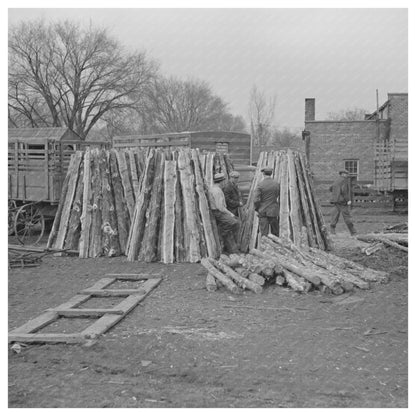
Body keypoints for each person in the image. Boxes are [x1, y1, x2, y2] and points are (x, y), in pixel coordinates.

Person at [208, 172, 241, 254]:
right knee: (235, 222)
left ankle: (225, 232)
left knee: (235, 222)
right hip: (218, 212)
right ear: (222, 181)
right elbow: (220, 207)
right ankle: (223, 231)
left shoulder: (214, 189)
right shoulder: (217, 191)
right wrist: (230, 214)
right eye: (223, 181)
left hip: (219, 211)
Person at [329, 170, 357, 236]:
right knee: (347, 216)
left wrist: (335, 195)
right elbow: (344, 191)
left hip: (336, 201)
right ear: (342, 174)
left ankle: (332, 231)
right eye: (346, 174)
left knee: (335, 216)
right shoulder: (344, 181)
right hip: (342, 201)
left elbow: (330, 189)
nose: (347, 175)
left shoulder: (336, 180)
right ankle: (353, 232)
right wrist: (348, 200)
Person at [254, 166, 280, 236]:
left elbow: (256, 200)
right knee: (275, 232)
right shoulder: (276, 184)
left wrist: (257, 208)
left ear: (263, 174)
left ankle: (264, 246)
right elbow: (278, 195)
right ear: (271, 174)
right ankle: (276, 246)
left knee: (264, 233)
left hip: (263, 211)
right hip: (273, 210)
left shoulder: (260, 185)